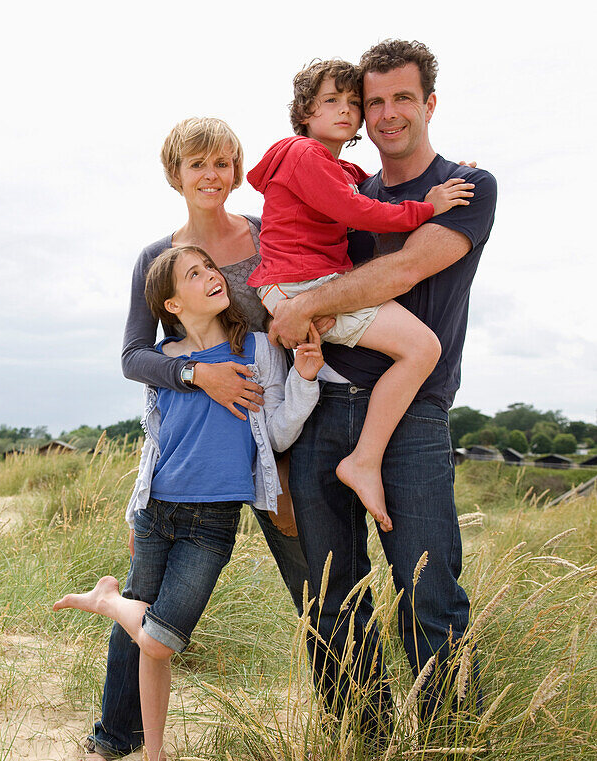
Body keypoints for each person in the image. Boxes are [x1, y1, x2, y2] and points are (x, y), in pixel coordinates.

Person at [268, 39, 498, 737]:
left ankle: (448, 743)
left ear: (429, 103)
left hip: (413, 418)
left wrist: (305, 305)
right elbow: (282, 241)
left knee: (429, 592)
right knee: (332, 600)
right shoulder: (348, 190)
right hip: (320, 409)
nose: (388, 113)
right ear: (361, 114)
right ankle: (358, 741)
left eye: (404, 98)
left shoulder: (467, 188)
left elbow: (402, 272)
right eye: (375, 102)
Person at [88, 117, 317, 761]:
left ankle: (352, 711)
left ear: (238, 169)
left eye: (223, 162)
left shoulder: (268, 236)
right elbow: (136, 357)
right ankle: (117, 736)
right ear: (175, 175)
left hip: (278, 434)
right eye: (197, 164)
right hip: (194, 459)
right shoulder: (159, 262)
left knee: (313, 577)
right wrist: (200, 375)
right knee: (144, 601)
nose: (212, 175)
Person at [246, 58, 474, 530]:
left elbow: (360, 188)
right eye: (332, 101)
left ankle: (356, 459)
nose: (346, 110)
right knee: (421, 347)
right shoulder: (307, 156)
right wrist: (426, 207)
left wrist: (440, 179)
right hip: (302, 284)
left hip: (296, 285)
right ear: (305, 112)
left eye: (353, 102)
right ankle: (363, 460)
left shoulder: (333, 165)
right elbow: (358, 209)